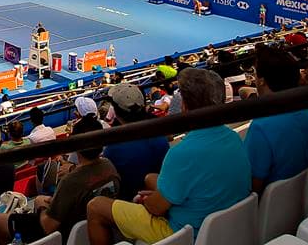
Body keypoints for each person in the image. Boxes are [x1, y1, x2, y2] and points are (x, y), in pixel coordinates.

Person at [86, 69, 250, 245]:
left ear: (185, 106)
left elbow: (155, 208)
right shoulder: (233, 139)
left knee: (95, 207)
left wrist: (149, 200)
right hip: (224, 227)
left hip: (181, 234)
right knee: (150, 178)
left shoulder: (183, 153)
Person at [0, 115, 119, 245]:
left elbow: (48, 225)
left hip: (64, 229)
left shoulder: (71, 181)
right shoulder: (109, 167)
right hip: (82, 219)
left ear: (76, 144)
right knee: (39, 199)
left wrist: (43, 210)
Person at [244, 46, 308, 192]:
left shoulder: (261, 126)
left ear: (262, 81)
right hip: (296, 196)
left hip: (266, 205)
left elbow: (252, 186)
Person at [100, 83, 169, 200]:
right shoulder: (160, 138)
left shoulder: (113, 150)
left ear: (117, 113)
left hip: (131, 201)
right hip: (156, 194)